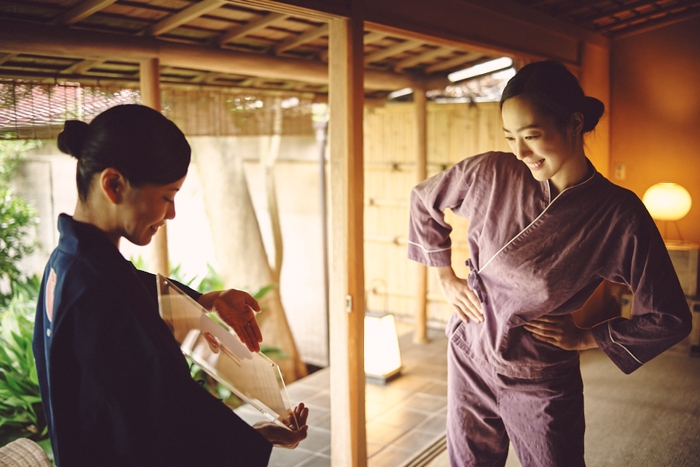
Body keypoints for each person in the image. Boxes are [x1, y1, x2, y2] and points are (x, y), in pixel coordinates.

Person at [407, 60, 692, 467]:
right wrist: (444, 276)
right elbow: (423, 200)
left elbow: (669, 316)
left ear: (574, 123)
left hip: (538, 371)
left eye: (532, 136)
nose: (520, 152)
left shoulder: (617, 213)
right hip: (470, 349)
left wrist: (589, 337)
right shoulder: (492, 170)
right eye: (510, 137)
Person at [33, 104, 309, 466]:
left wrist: (207, 302)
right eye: (167, 196)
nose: (172, 213)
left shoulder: (69, 263)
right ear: (114, 185)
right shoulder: (99, 292)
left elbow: (139, 291)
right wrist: (252, 439)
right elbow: (159, 421)